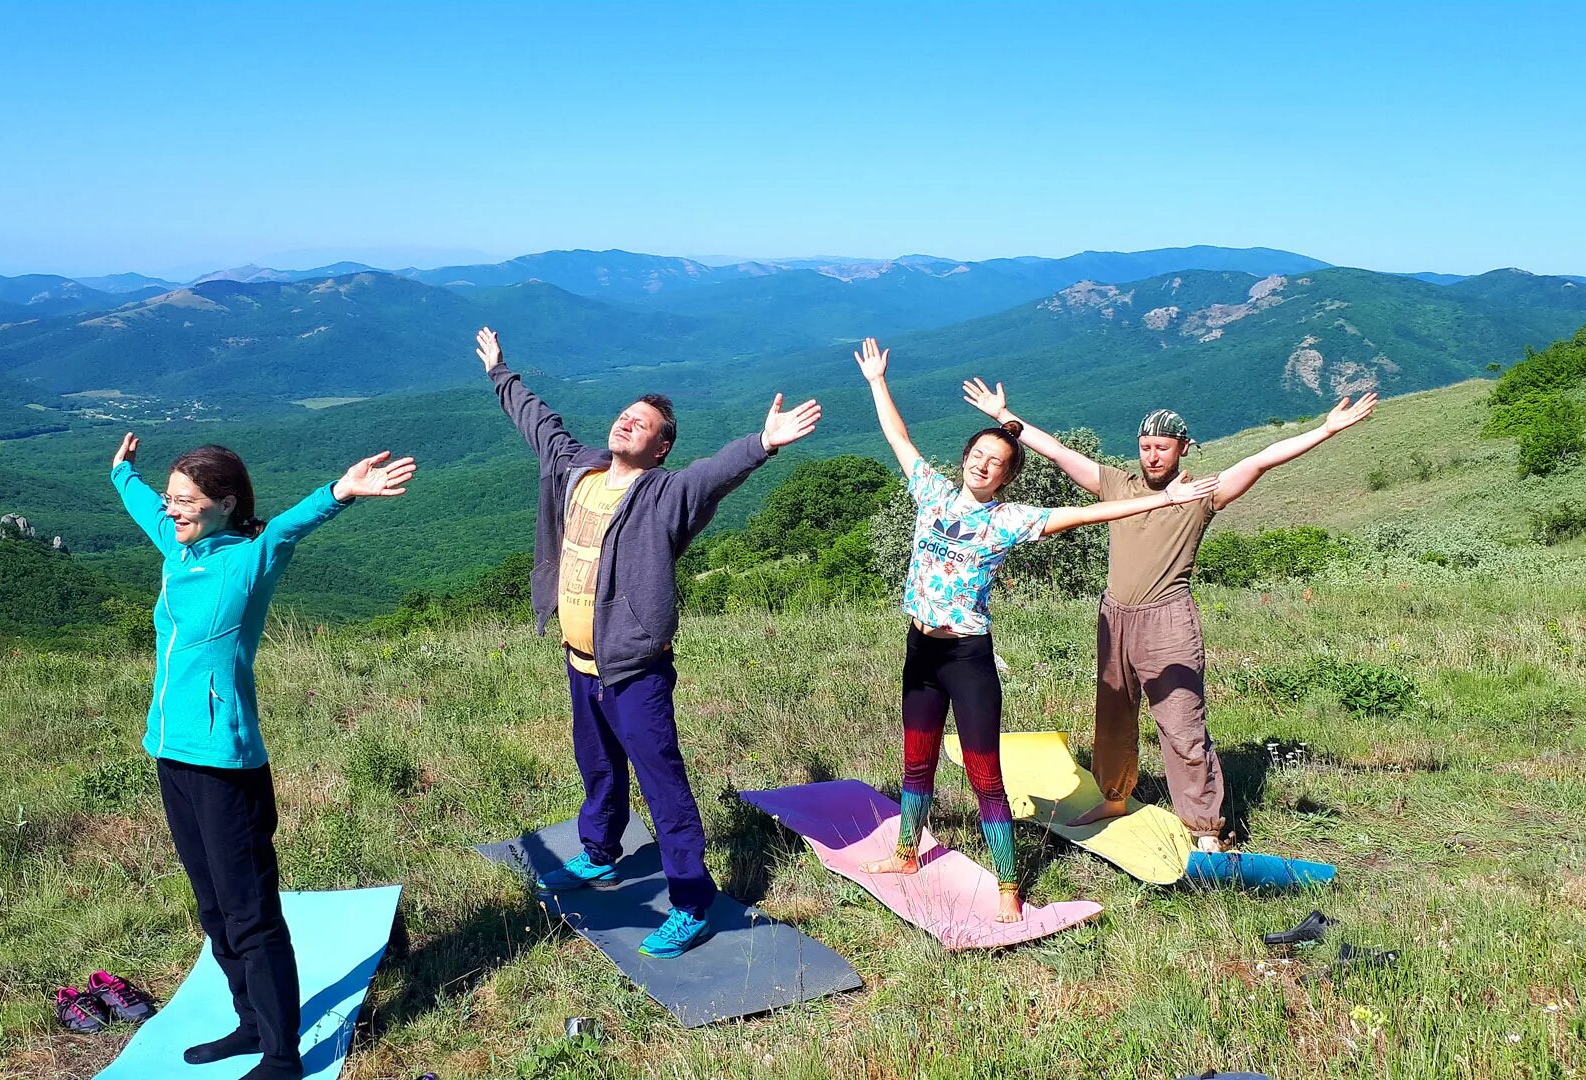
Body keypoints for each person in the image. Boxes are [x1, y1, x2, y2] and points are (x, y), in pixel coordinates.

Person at [475, 325, 821, 957]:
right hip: (581, 664)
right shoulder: (576, 472)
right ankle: (601, 851)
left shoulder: (664, 495)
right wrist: (502, 372)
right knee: (598, 766)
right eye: (625, 416)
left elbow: (714, 474)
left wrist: (763, 443)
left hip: (635, 670)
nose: (627, 424)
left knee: (662, 784)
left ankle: (691, 900)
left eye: (644, 424)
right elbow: (539, 424)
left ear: (662, 449)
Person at [855, 339, 1218, 921]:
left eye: (996, 461)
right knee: (915, 762)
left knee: (984, 776)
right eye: (978, 454)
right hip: (919, 653)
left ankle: (1008, 888)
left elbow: (1089, 511)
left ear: (1006, 476)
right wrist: (877, 381)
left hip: (966, 660)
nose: (983, 463)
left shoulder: (1011, 519)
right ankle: (905, 852)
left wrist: (1162, 501)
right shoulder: (931, 492)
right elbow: (899, 438)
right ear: (965, 458)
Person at [109, 435, 415, 1080]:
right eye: (172, 500)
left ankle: (282, 1055)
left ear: (224, 504)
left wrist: (344, 489)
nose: (173, 511)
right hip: (170, 754)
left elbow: (290, 525)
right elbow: (145, 510)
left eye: (186, 502)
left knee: (250, 913)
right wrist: (123, 475)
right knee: (213, 909)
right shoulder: (178, 549)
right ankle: (249, 1021)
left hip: (227, 763)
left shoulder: (250, 558)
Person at [962, 376, 1376, 851]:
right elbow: (1057, 452)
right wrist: (1002, 417)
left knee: (1180, 723)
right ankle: (1114, 799)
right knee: (1113, 719)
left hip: (1168, 620)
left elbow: (1260, 460)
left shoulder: (1204, 492)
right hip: (1113, 616)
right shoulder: (1118, 484)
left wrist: (1326, 429)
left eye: (1162, 447)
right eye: (1144, 446)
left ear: (1183, 447)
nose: (1152, 455)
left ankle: (1204, 827)